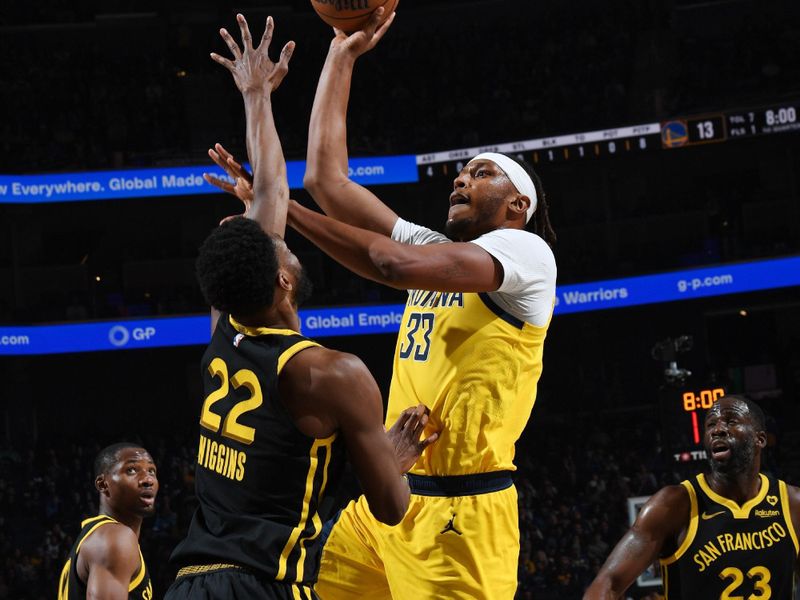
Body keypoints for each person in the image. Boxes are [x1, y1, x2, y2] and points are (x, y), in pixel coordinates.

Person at [165, 15, 437, 600]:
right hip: (263, 584)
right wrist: (392, 456)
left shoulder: (225, 325)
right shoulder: (332, 373)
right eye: (282, 245)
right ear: (285, 282)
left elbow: (271, 193)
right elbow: (391, 507)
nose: (283, 235)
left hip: (189, 582)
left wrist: (257, 94)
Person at [291, 9, 557, 599]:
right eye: (460, 173)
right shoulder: (442, 251)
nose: (461, 180)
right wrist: (341, 55)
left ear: (517, 204)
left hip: (460, 517)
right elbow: (325, 181)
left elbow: (390, 263)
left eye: (481, 174)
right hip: (389, 496)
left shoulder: (524, 253)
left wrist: (276, 208)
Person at [584, 395, 800, 599]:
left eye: (731, 421)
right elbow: (607, 584)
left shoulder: (792, 504)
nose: (718, 430)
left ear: (759, 439)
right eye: (711, 425)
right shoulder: (674, 505)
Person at [57, 443, 158, 600]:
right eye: (131, 470)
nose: (148, 479)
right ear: (103, 484)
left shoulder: (98, 535)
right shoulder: (115, 538)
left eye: (151, 471)